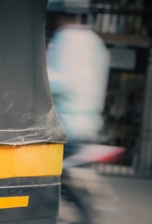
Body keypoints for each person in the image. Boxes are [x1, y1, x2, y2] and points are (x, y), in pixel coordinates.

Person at [46, 12, 110, 156]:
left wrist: (37, 79)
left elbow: (62, 81)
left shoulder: (66, 37)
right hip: (89, 125)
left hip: (66, 123)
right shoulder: (94, 40)